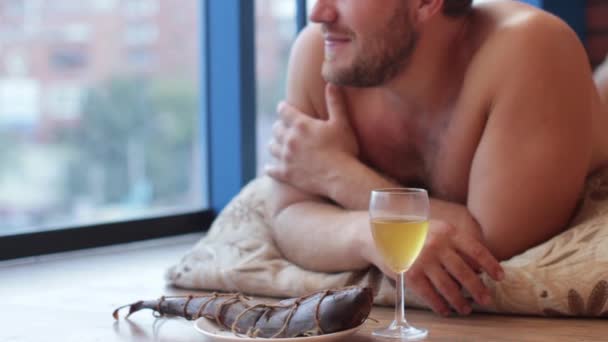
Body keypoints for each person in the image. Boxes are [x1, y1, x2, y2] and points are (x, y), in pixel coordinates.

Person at [264, 0, 608, 317]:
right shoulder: (325, 54)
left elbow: (488, 252)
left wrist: (337, 174)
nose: (319, 13)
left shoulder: (532, 48)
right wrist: (365, 234)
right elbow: (287, 216)